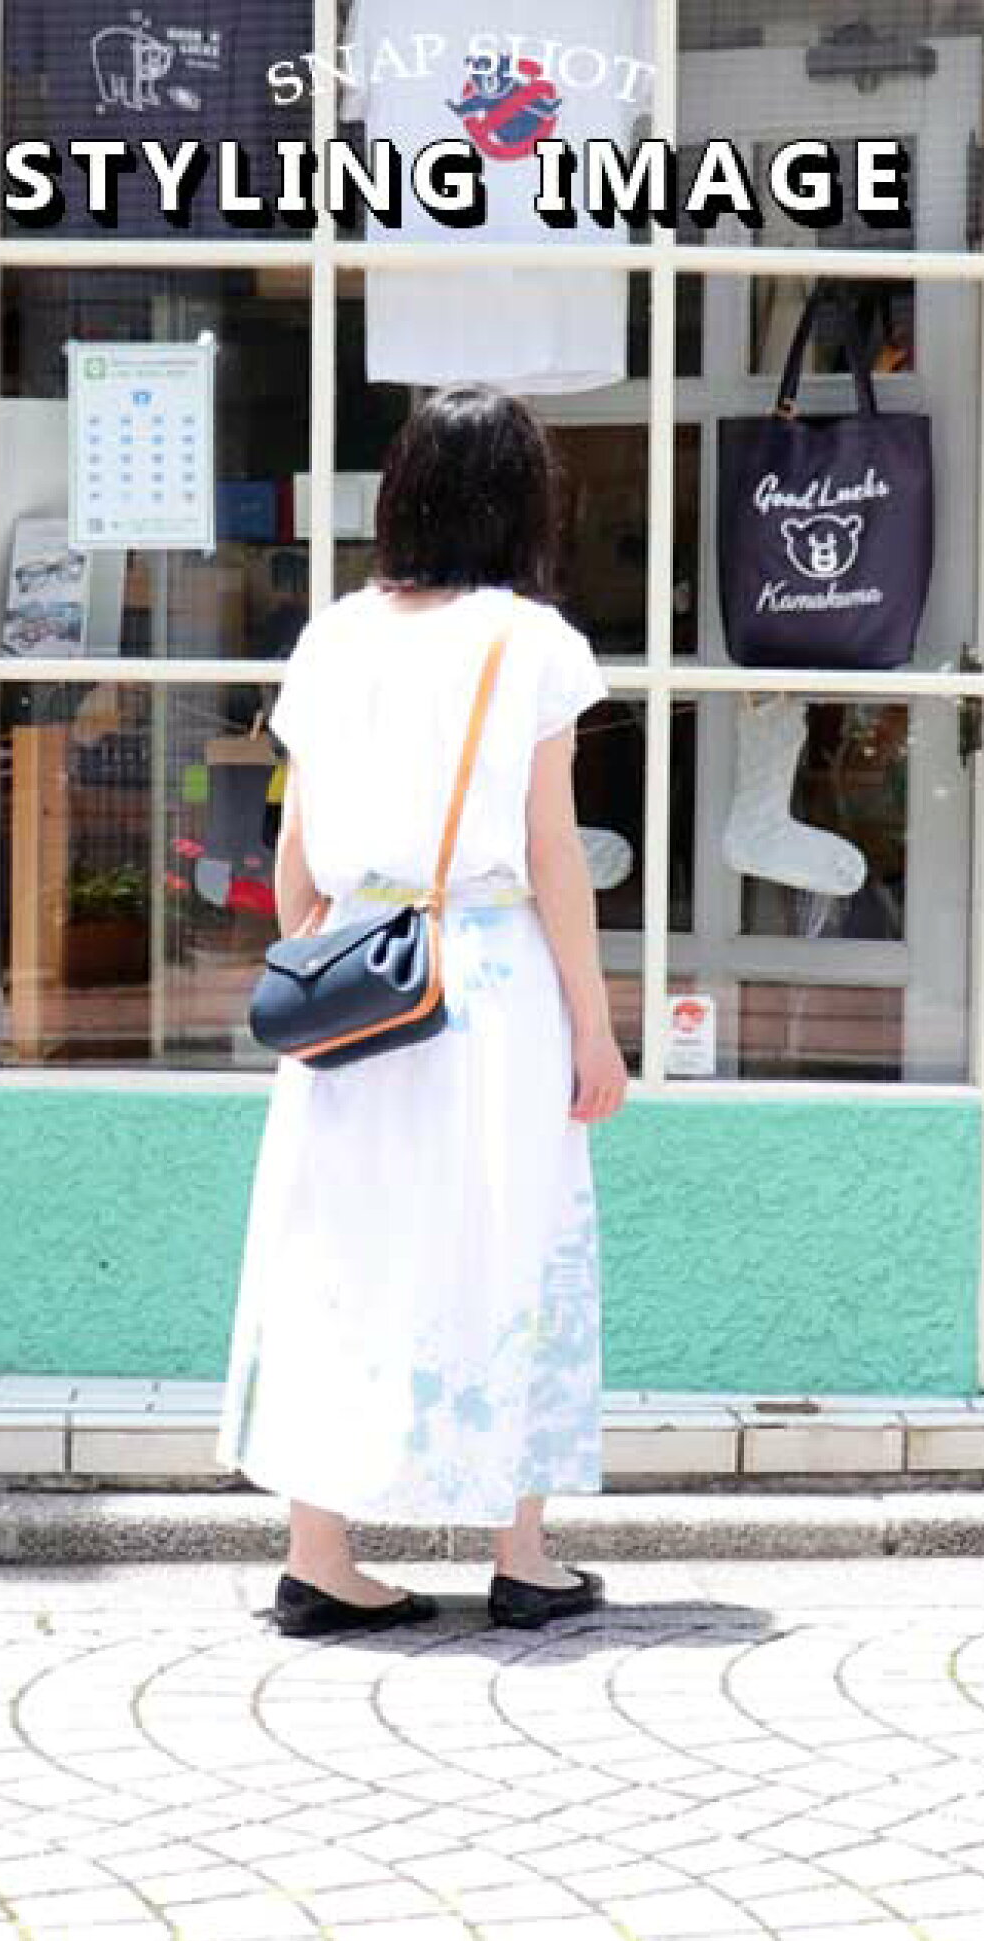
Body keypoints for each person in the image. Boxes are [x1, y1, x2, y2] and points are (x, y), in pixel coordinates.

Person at [216, 385, 628, 1637]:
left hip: (359, 969)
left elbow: (295, 851)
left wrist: (318, 957)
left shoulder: (333, 636)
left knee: (339, 1247)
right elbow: (552, 853)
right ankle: (521, 1554)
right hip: (488, 980)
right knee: (513, 1237)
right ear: (521, 506)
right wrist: (595, 1023)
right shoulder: (532, 643)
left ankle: (319, 1554)